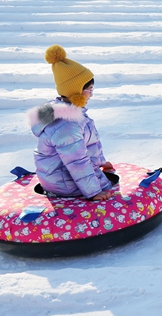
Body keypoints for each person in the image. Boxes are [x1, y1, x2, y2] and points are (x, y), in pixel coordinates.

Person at [28, 45, 116, 201]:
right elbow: (77, 162)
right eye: (89, 89)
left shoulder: (68, 114)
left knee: (106, 178)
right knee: (107, 187)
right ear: (75, 90)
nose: (91, 94)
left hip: (63, 178)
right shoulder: (67, 124)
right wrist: (94, 192)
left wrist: (100, 162)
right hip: (66, 185)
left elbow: (87, 147)